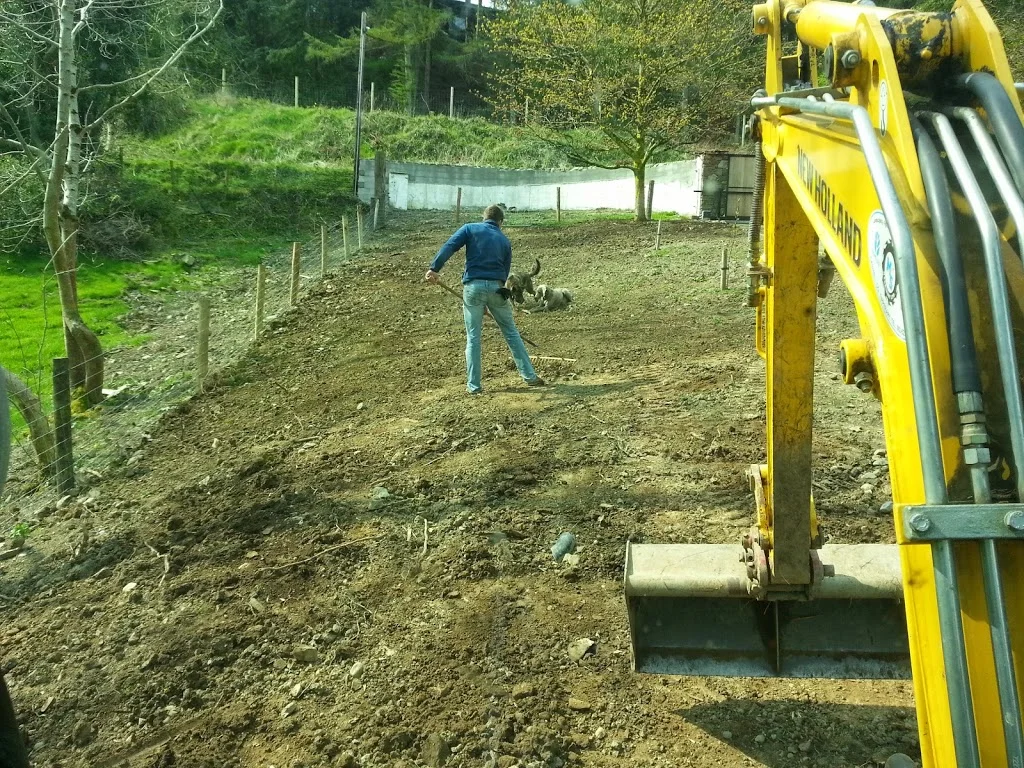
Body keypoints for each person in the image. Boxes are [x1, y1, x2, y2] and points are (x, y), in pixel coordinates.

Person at [425, 204, 545, 394]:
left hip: (473, 289)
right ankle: (529, 376)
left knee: (473, 338)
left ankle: (474, 386)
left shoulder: (469, 228)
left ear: (484, 217)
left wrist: (435, 268)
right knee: (511, 333)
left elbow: (450, 246)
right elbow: (505, 272)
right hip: (497, 289)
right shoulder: (504, 240)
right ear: (501, 222)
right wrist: (494, 301)